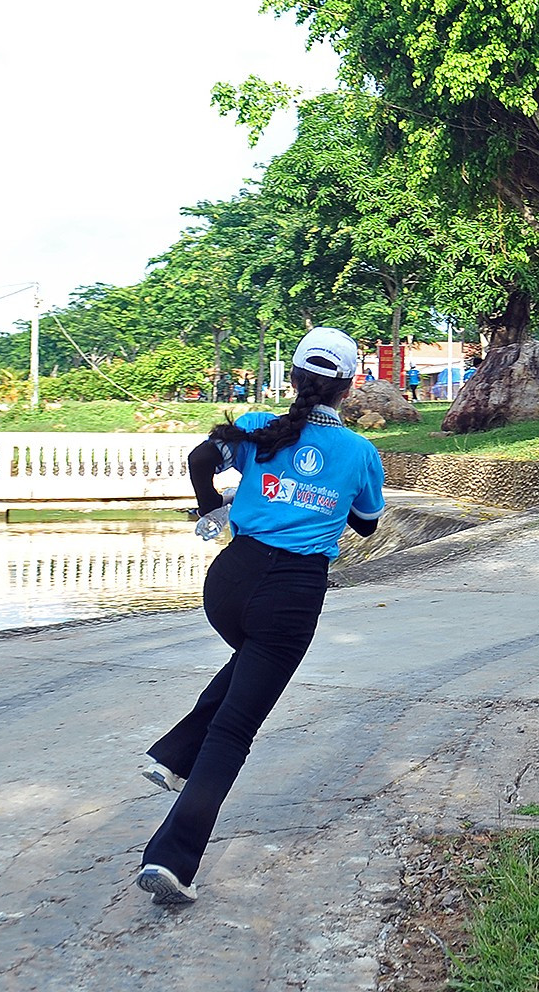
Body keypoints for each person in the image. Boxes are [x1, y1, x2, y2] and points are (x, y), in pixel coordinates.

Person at [135, 327, 385, 908]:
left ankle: (175, 754)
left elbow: (200, 459)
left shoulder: (256, 427)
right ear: (349, 387)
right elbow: (367, 522)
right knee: (235, 730)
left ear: (293, 379)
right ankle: (170, 859)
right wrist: (320, 496)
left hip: (229, 582)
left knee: (248, 669)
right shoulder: (359, 453)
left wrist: (211, 511)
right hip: (291, 596)